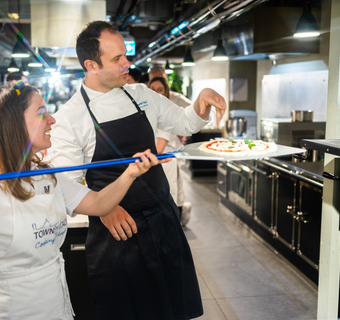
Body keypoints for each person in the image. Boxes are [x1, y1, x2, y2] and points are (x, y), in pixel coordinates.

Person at [0, 82, 162, 320]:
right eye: (41, 113)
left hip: (58, 308)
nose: (52, 120)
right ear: (12, 123)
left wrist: (131, 172)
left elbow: (98, 203)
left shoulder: (45, 173)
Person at [49, 20, 226, 320]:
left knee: (174, 310)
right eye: (117, 59)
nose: (127, 64)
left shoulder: (141, 95)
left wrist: (201, 103)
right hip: (120, 236)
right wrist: (102, 207)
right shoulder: (70, 118)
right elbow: (64, 185)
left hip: (163, 219)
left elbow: (183, 122)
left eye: (125, 56)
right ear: (91, 65)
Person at [148, 66, 194, 226]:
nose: (155, 93)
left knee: (171, 201)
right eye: (152, 89)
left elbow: (158, 148)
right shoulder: (149, 112)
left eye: (159, 89)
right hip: (156, 163)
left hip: (165, 161)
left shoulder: (165, 113)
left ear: (166, 91)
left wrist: (184, 128)